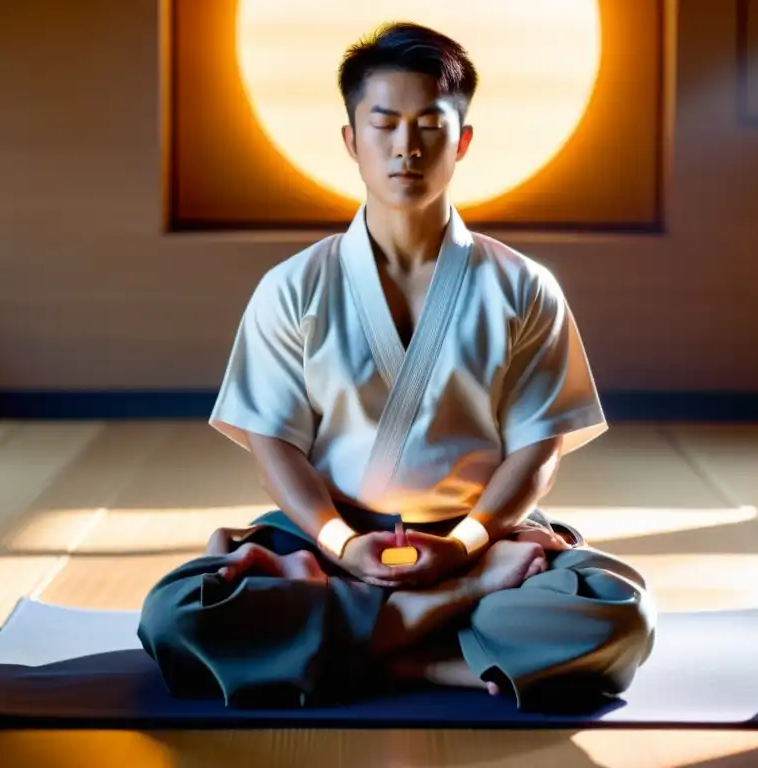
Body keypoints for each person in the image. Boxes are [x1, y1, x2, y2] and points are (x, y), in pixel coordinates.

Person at [137, 21, 655, 713]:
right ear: (351, 141)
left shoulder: (523, 286)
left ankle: (351, 649)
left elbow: (539, 445)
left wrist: (471, 546)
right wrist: (342, 544)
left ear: (463, 141)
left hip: (482, 536)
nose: (405, 147)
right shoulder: (294, 287)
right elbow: (275, 444)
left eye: (429, 125)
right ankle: (441, 651)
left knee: (616, 611)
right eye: (383, 124)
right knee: (177, 612)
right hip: (329, 546)